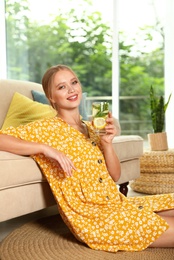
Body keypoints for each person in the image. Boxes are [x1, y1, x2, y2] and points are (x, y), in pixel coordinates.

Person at [0, 64, 174, 252]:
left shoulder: (92, 128)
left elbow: (115, 176)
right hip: (96, 219)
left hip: (118, 203)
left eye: (74, 82)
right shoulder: (45, 129)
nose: (71, 89)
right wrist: (44, 148)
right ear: (51, 97)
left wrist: (107, 143)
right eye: (62, 87)